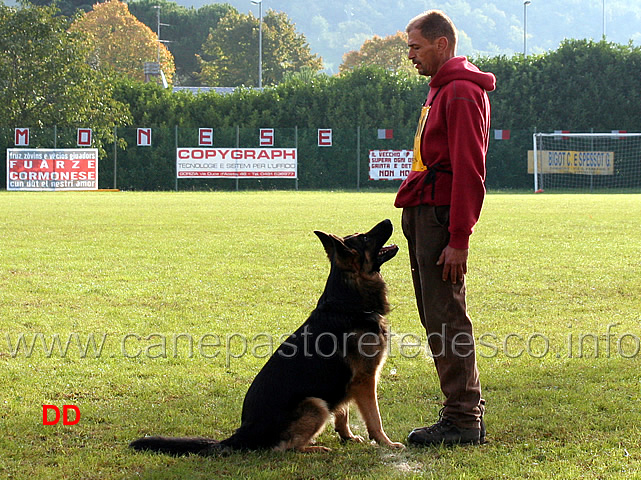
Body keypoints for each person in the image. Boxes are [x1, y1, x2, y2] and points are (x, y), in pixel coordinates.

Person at [395, 10, 496, 446]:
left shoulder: (459, 92)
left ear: (442, 44)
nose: (411, 56)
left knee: (446, 315)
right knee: (435, 315)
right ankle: (461, 412)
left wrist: (459, 239)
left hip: (441, 217)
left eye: (416, 47)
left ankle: (463, 417)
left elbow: (470, 170)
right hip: (426, 209)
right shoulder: (441, 90)